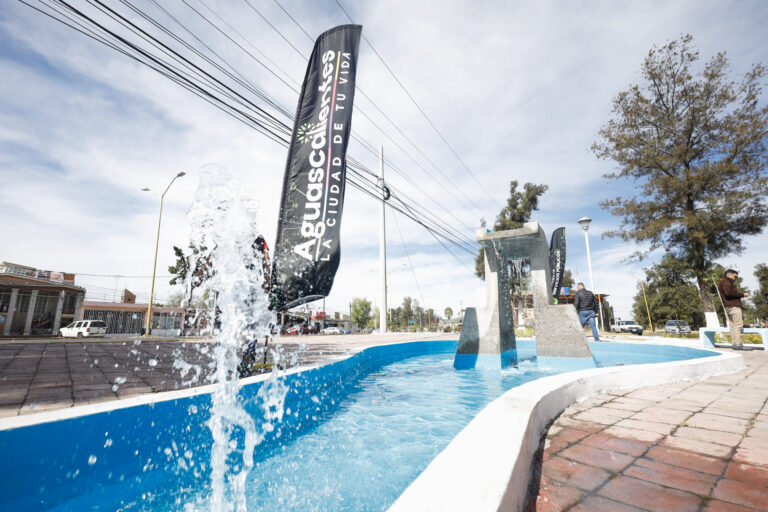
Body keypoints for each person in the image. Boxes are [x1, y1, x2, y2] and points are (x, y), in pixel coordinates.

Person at [718, 269, 751, 350]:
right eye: (735, 276)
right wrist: (743, 294)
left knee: (733, 326)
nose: (736, 278)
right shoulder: (726, 281)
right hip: (733, 306)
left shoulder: (723, 282)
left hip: (728, 306)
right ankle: (737, 343)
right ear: (729, 275)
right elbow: (728, 293)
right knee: (738, 325)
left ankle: (735, 343)